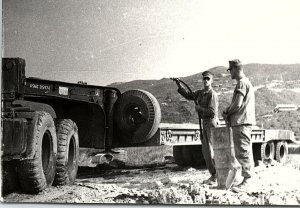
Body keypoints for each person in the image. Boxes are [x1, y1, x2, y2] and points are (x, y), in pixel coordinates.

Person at [175, 71, 219, 185]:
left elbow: (212, 111)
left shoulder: (212, 94)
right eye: (204, 79)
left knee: (210, 151)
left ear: (211, 81)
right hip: (204, 123)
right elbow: (188, 95)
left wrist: (199, 109)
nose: (205, 81)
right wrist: (179, 84)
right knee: (206, 152)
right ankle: (214, 174)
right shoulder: (200, 93)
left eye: (208, 79)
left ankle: (217, 175)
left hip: (211, 122)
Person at [222, 59, 256, 192]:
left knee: (243, 152)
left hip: (241, 122)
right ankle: (246, 178)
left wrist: (227, 112)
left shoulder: (241, 83)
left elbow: (237, 104)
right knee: (244, 151)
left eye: (230, 70)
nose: (230, 72)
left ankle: (247, 181)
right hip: (242, 121)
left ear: (236, 69)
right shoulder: (245, 82)